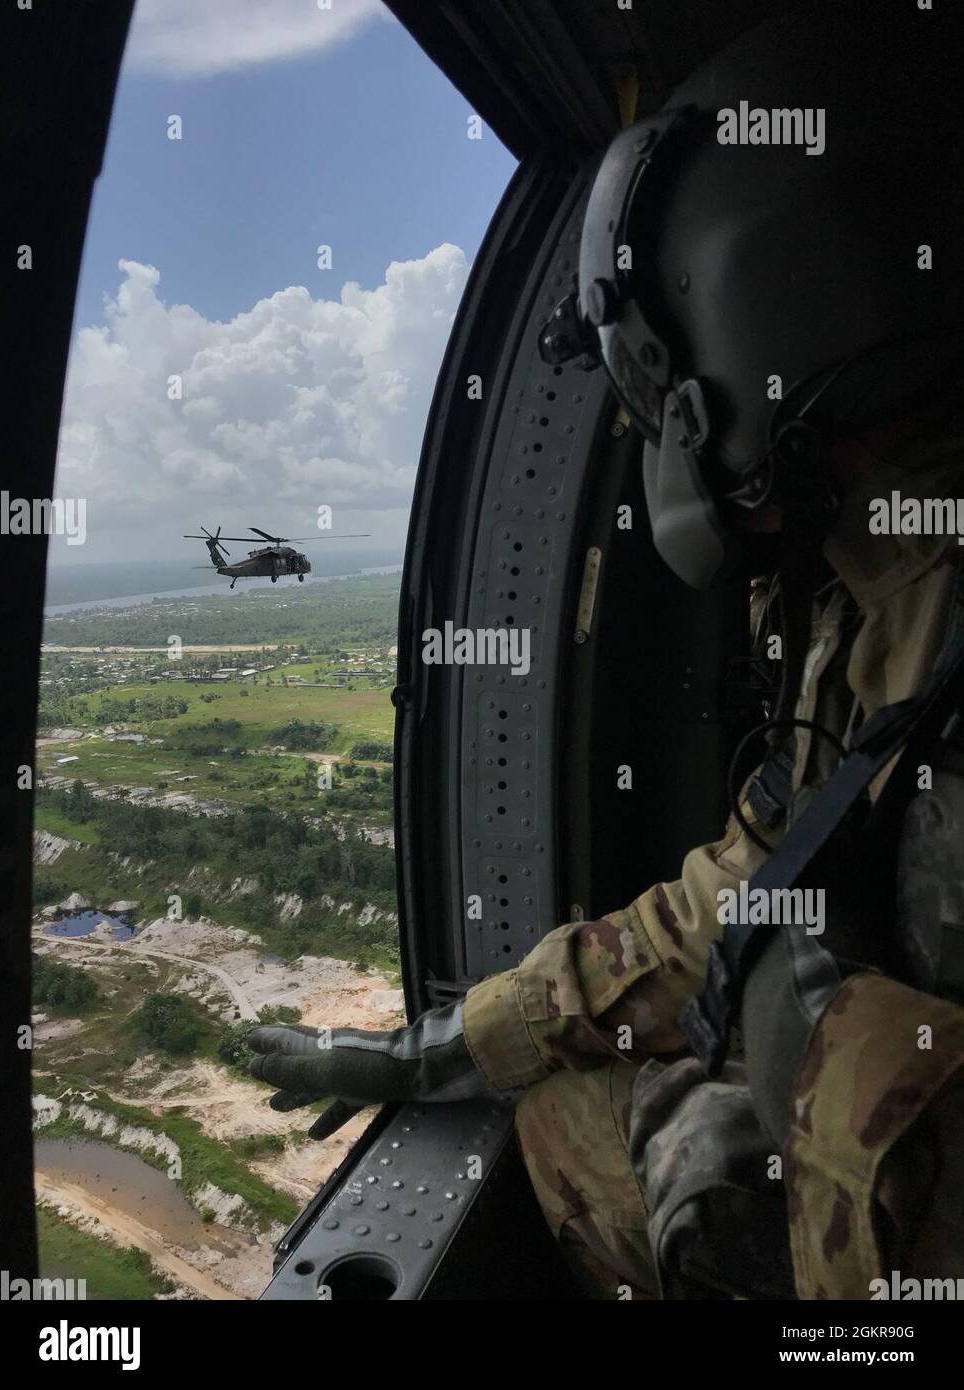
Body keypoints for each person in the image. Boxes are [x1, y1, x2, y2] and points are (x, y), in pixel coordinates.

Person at [247, 0, 964, 1300]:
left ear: (755, 312)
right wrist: (454, 1040)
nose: (653, 428)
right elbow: (741, 885)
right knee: (569, 1105)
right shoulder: (862, 599)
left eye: (654, 370)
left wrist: (827, 1150)